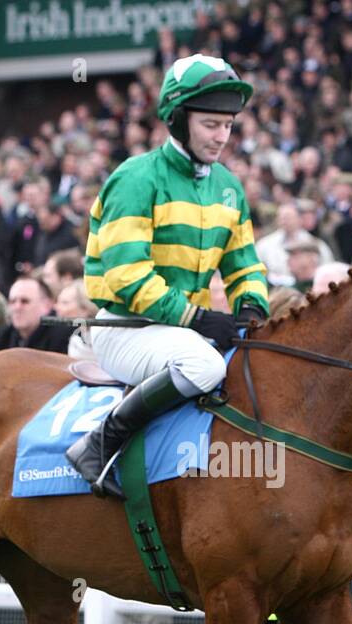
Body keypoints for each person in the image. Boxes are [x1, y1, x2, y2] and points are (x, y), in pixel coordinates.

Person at [67, 53, 269, 497]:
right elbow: (127, 275)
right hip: (126, 327)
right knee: (204, 364)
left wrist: (251, 306)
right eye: (211, 124)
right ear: (177, 119)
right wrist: (196, 318)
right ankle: (99, 443)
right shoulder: (136, 178)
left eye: (229, 125)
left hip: (178, 330)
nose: (222, 137)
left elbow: (246, 265)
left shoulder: (229, 188)